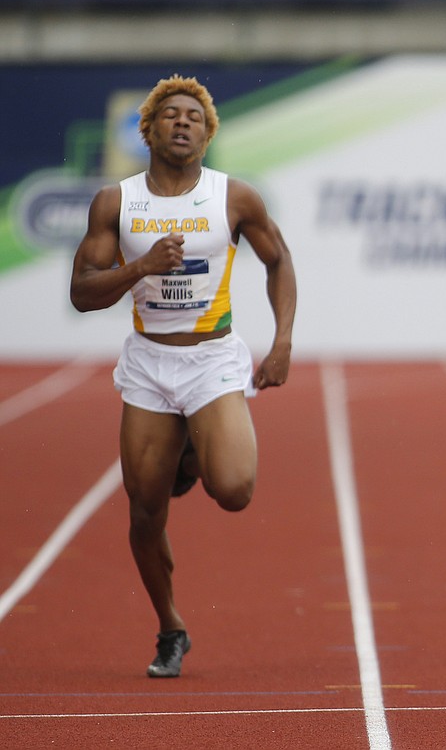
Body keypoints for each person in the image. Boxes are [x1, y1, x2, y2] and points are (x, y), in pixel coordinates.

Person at [70, 74, 297, 678]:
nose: (182, 123)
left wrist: (282, 342)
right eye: (170, 114)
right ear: (147, 129)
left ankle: (191, 459)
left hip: (212, 360)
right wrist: (140, 266)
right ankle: (171, 626)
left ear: (208, 133)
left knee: (235, 491)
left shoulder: (234, 197)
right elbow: (82, 293)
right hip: (148, 363)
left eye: (194, 117)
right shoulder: (117, 203)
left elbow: (278, 261)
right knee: (144, 511)